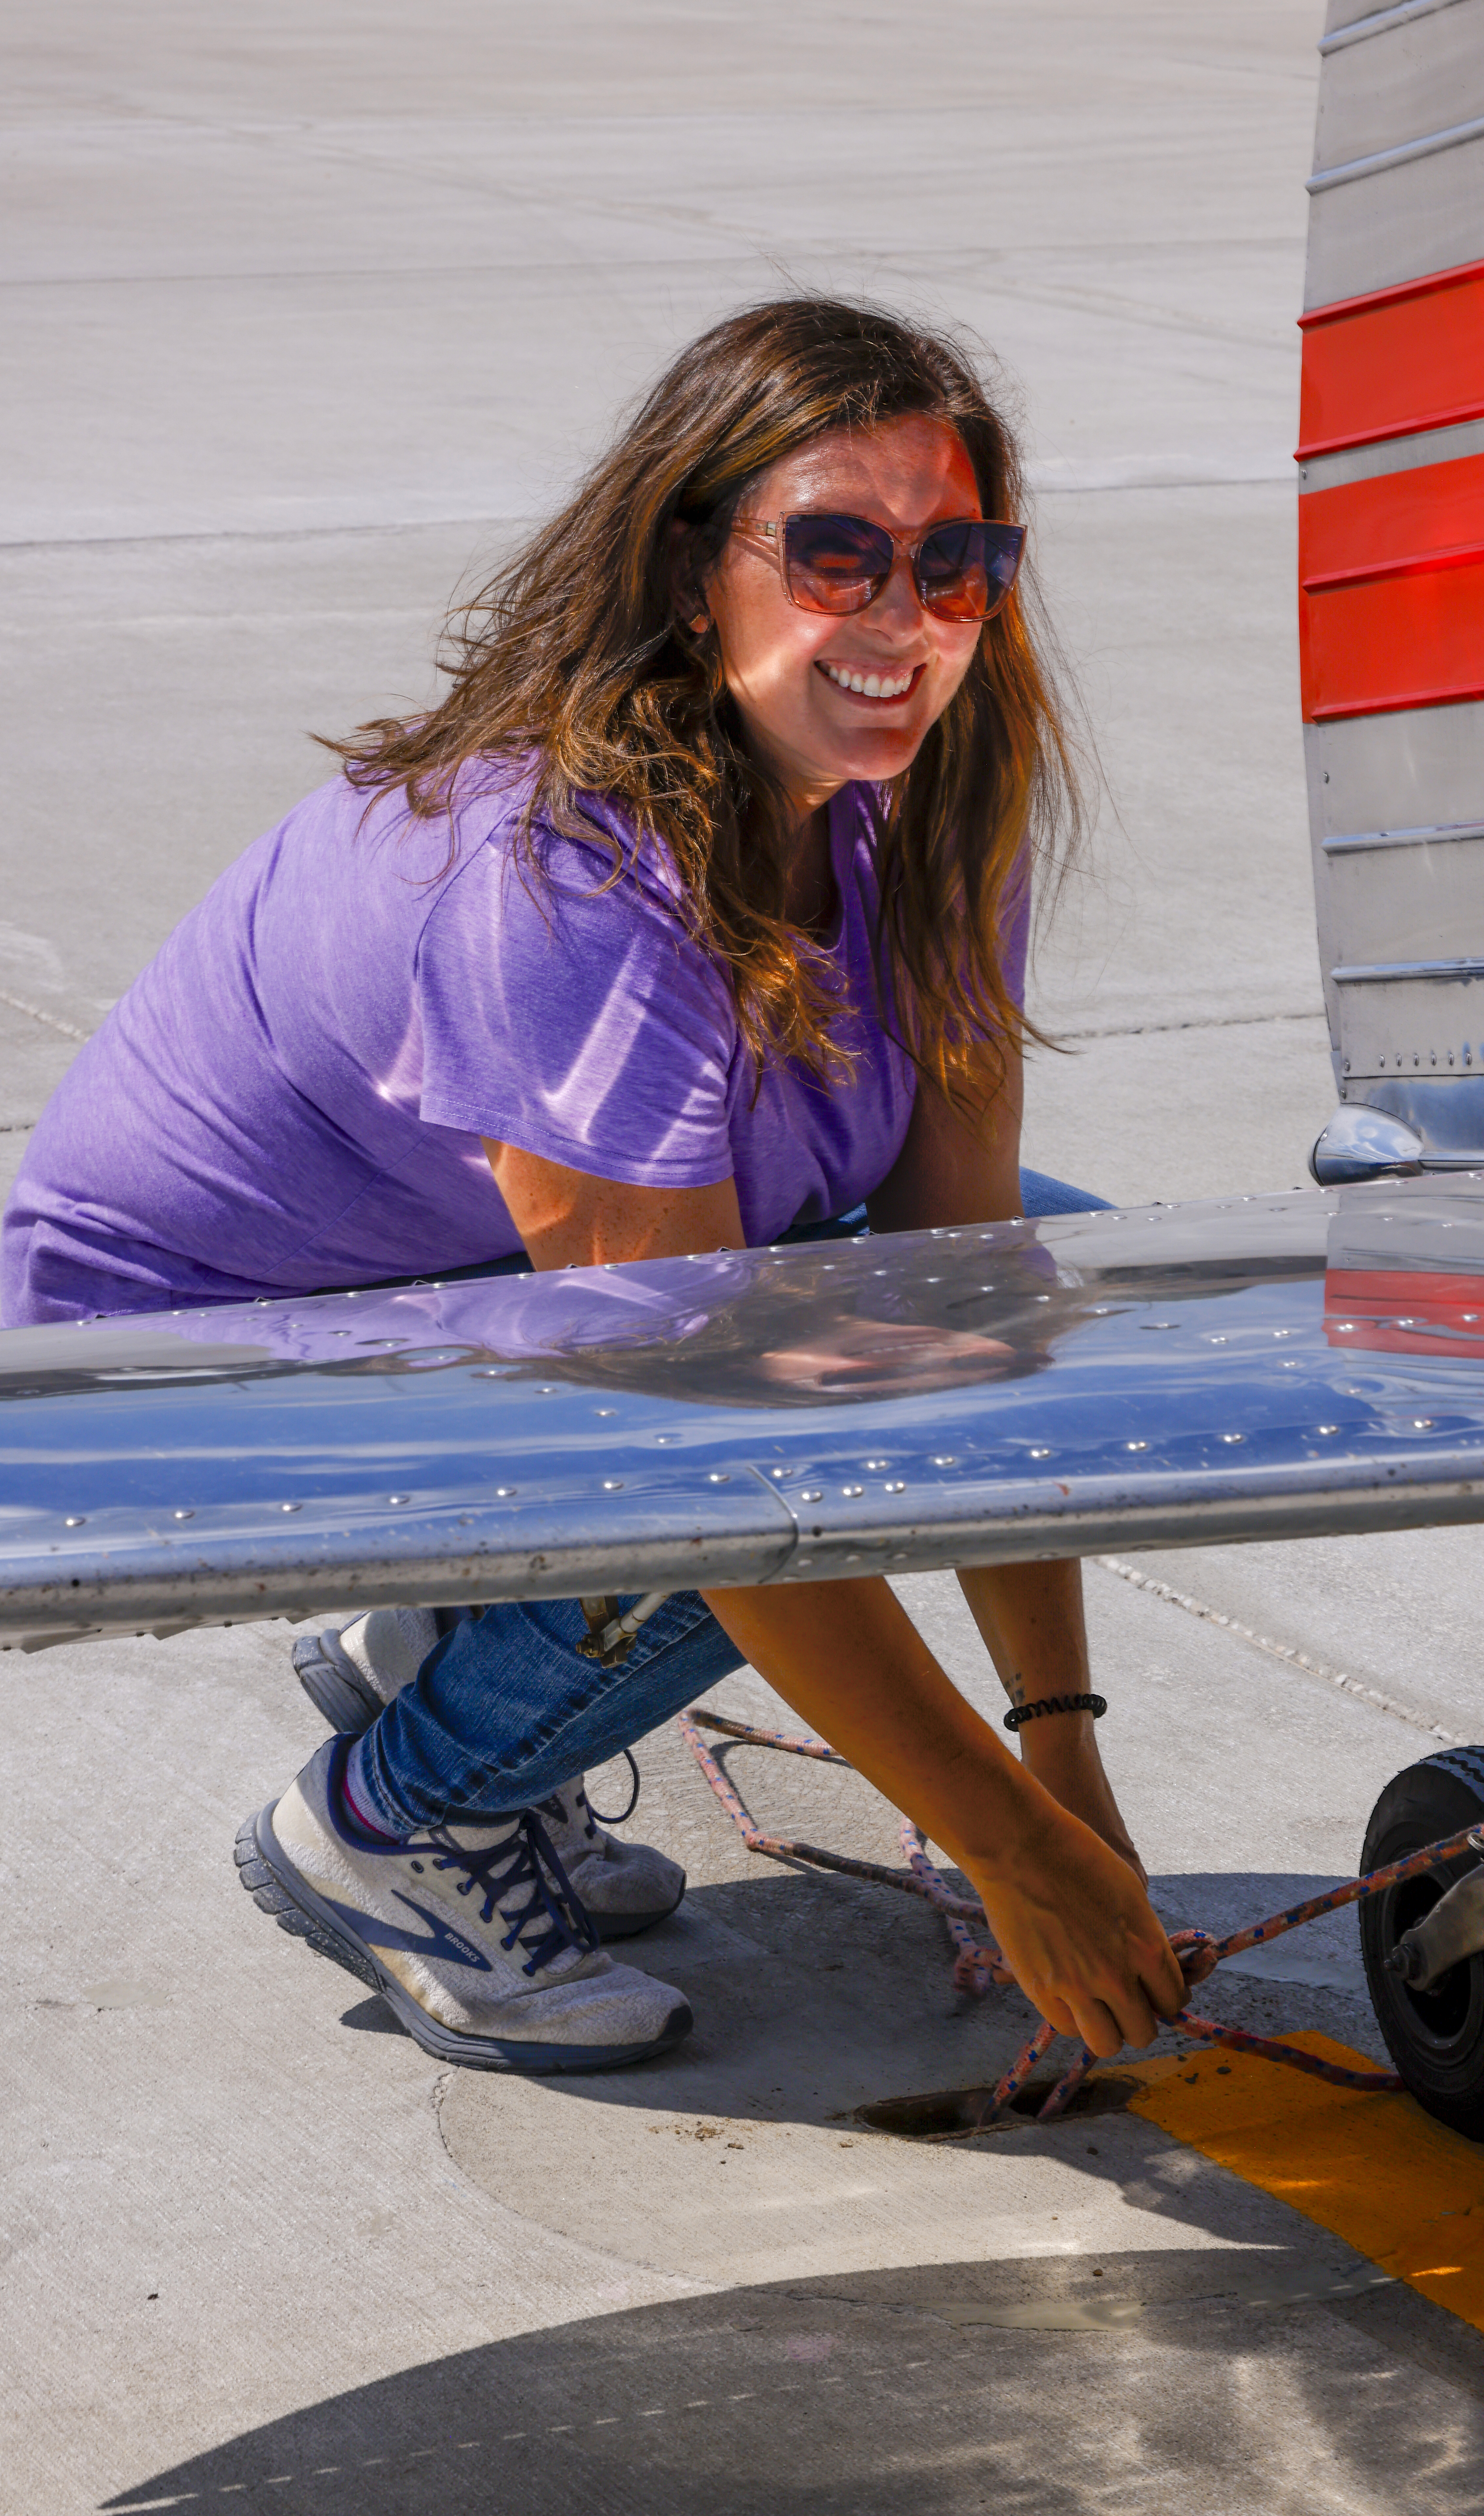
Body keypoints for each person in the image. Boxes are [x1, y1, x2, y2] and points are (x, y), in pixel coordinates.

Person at [2, 297, 1186, 2071]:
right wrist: (1020, 1862)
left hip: (427, 1306)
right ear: (695, 560)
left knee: (1028, 1293)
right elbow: (708, 1458)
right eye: (837, 551)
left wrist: (1059, 1752)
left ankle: (476, 1649)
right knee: (790, 1410)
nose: (899, 617)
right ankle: (401, 1820)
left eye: (957, 563)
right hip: (150, 1398)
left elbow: (975, 1284)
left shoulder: (928, 811)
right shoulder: (573, 883)